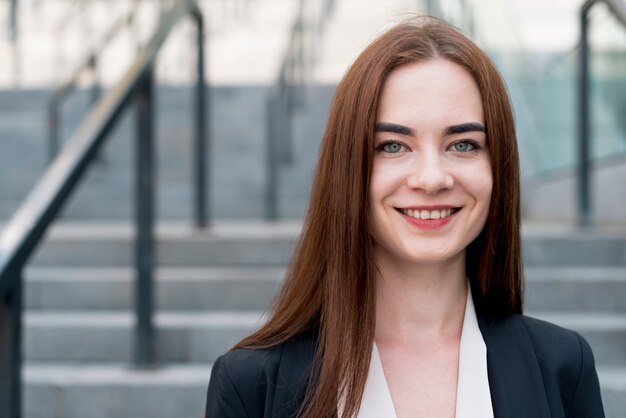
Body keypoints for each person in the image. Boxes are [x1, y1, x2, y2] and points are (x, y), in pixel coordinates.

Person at [205, 16, 605, 418]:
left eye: (463, 144)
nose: (431, 179)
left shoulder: (564, 368)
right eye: (394, 146)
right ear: (349, 169)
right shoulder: (250, 385)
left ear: (497, 166)